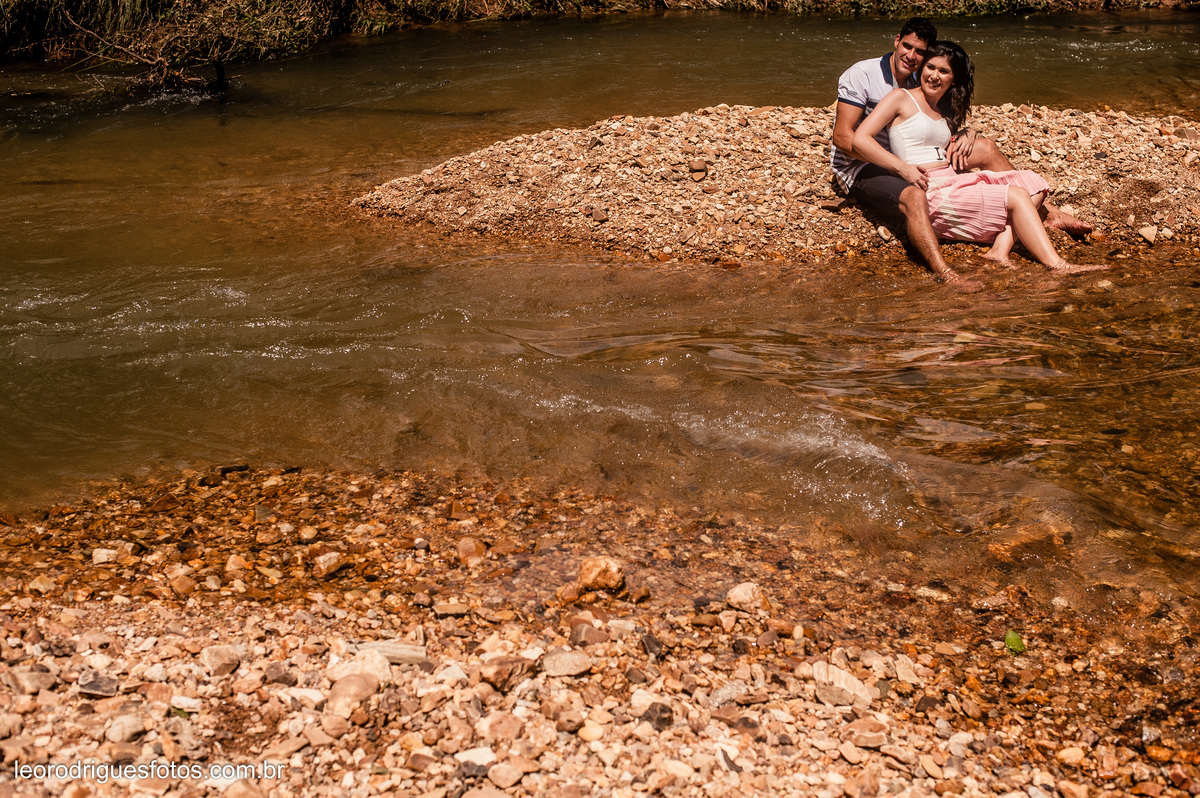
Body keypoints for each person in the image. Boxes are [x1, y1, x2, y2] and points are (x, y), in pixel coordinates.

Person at [830, 19, 1091, 286]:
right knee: (920, 195)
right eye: (907, 47)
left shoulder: (920, 81)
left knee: (1017, 174)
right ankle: (951, 272)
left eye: (921, 53)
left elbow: (932, 128)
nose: (912, 57)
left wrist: (970, 132)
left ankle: (1030, 226)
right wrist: (900, 167)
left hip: (928, 165)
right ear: (897, 40)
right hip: (863, 164)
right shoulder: (866, 75)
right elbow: (844, 137)